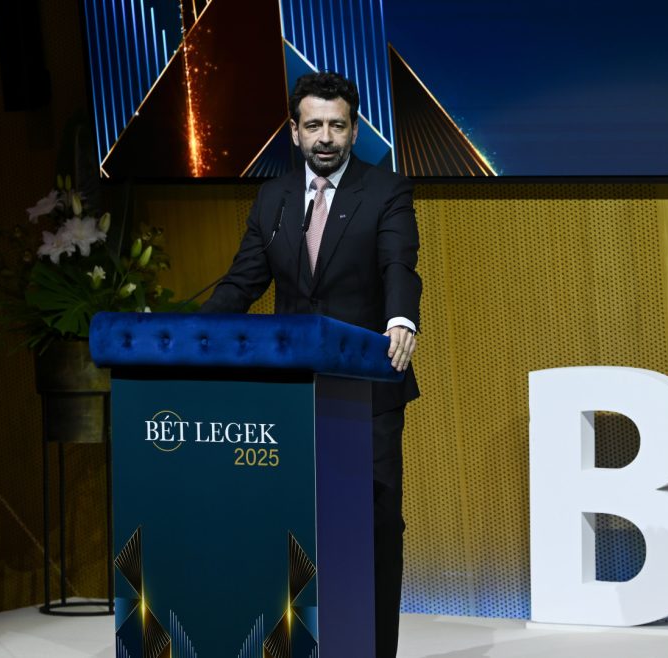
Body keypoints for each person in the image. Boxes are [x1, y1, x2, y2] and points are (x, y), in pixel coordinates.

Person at [200, 71, 419, 658]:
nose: (326, 137)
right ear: (294, 131)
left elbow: (400, 266)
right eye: (314, 125)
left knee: (374, 525)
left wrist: (401, 319)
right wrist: (195, 333)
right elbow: (243, 282)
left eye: (337, 126)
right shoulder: (273, 198)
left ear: (354, 131)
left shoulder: (385, 190)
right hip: (291, 393)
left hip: (367, 392)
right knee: (293, 522)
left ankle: (374, 649)